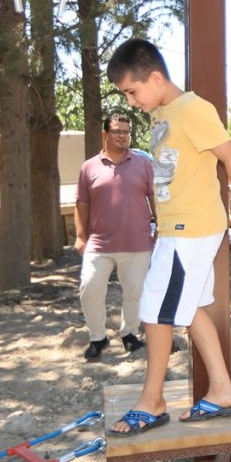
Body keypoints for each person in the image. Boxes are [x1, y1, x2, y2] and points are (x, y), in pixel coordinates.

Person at [104, 39, 231, 435]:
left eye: (133, 91)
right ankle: (222, 389)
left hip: (190, 229)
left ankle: (152, 401)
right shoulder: (162, 112)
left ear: (154, 77)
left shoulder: (192, 109)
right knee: (190, 308)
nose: (131, 102)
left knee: (154, 310)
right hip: (176, 228)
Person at [74, 112, 157, 361]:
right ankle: (97, 337)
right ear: (105, 134)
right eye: (117, 131)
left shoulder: (143, 164)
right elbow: (82, 203)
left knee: (135, 292)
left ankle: (129, 334)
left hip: (137, 242)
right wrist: (80, 236)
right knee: (89, 288)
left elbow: (154, 197)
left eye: (126, 132)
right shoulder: (88, 167)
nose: (122, 136)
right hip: (99, 244)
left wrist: (161, 228)